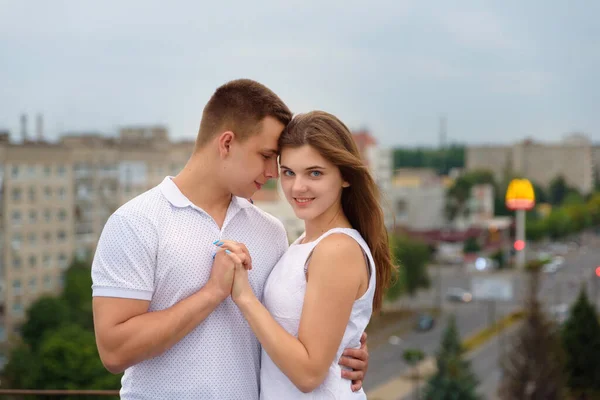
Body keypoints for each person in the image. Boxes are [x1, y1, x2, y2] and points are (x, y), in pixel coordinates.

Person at [91, 80, 369, 400]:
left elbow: (294, 319)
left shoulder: (271, 230)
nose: (274, 173)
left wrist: (346, 346)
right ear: (226, 143)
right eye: (266, 155)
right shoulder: (135, 222)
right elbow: (113, 352)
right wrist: (212, 294)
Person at [217, 111, 394, 398]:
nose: (298, 187)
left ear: (346, 176)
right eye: (288, 172)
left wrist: (244, 296)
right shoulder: (304, 243)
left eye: (315, 173)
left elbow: (308, 374)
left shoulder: (336, 250)